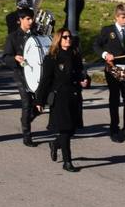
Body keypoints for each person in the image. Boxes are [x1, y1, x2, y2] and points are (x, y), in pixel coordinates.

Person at [32, 27, 90, 172]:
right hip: (59, 97)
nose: (68, 39)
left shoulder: (75, 55)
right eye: (65, 37)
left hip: (74, 96)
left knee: (72, 129)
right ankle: (67, 162)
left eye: (69, 37)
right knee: (64, 130)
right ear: (59, 39)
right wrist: (39, 101)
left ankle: (55, 144)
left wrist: (85, 80)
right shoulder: (51, 58)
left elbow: (81, 73)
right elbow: (45, 81)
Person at [94, 5, 125, 143]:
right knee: (114, 99)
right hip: (113, 69)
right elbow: (96, 46)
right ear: (116, 17)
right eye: (123, 17)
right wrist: (105, 54)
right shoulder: (107, 30)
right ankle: (114, 129)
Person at [2, 7, 43, 146]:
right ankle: (27, 135)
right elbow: (5, 57)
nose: (31, 21)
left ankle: (26, 119)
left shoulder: (37, 35)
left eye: (32, 19)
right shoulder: (13, 37)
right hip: (21, 74)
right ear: (20, 20)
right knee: (26, 102)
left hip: (37, 74)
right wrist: (15, 58)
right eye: (27, 19)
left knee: (41, 103)